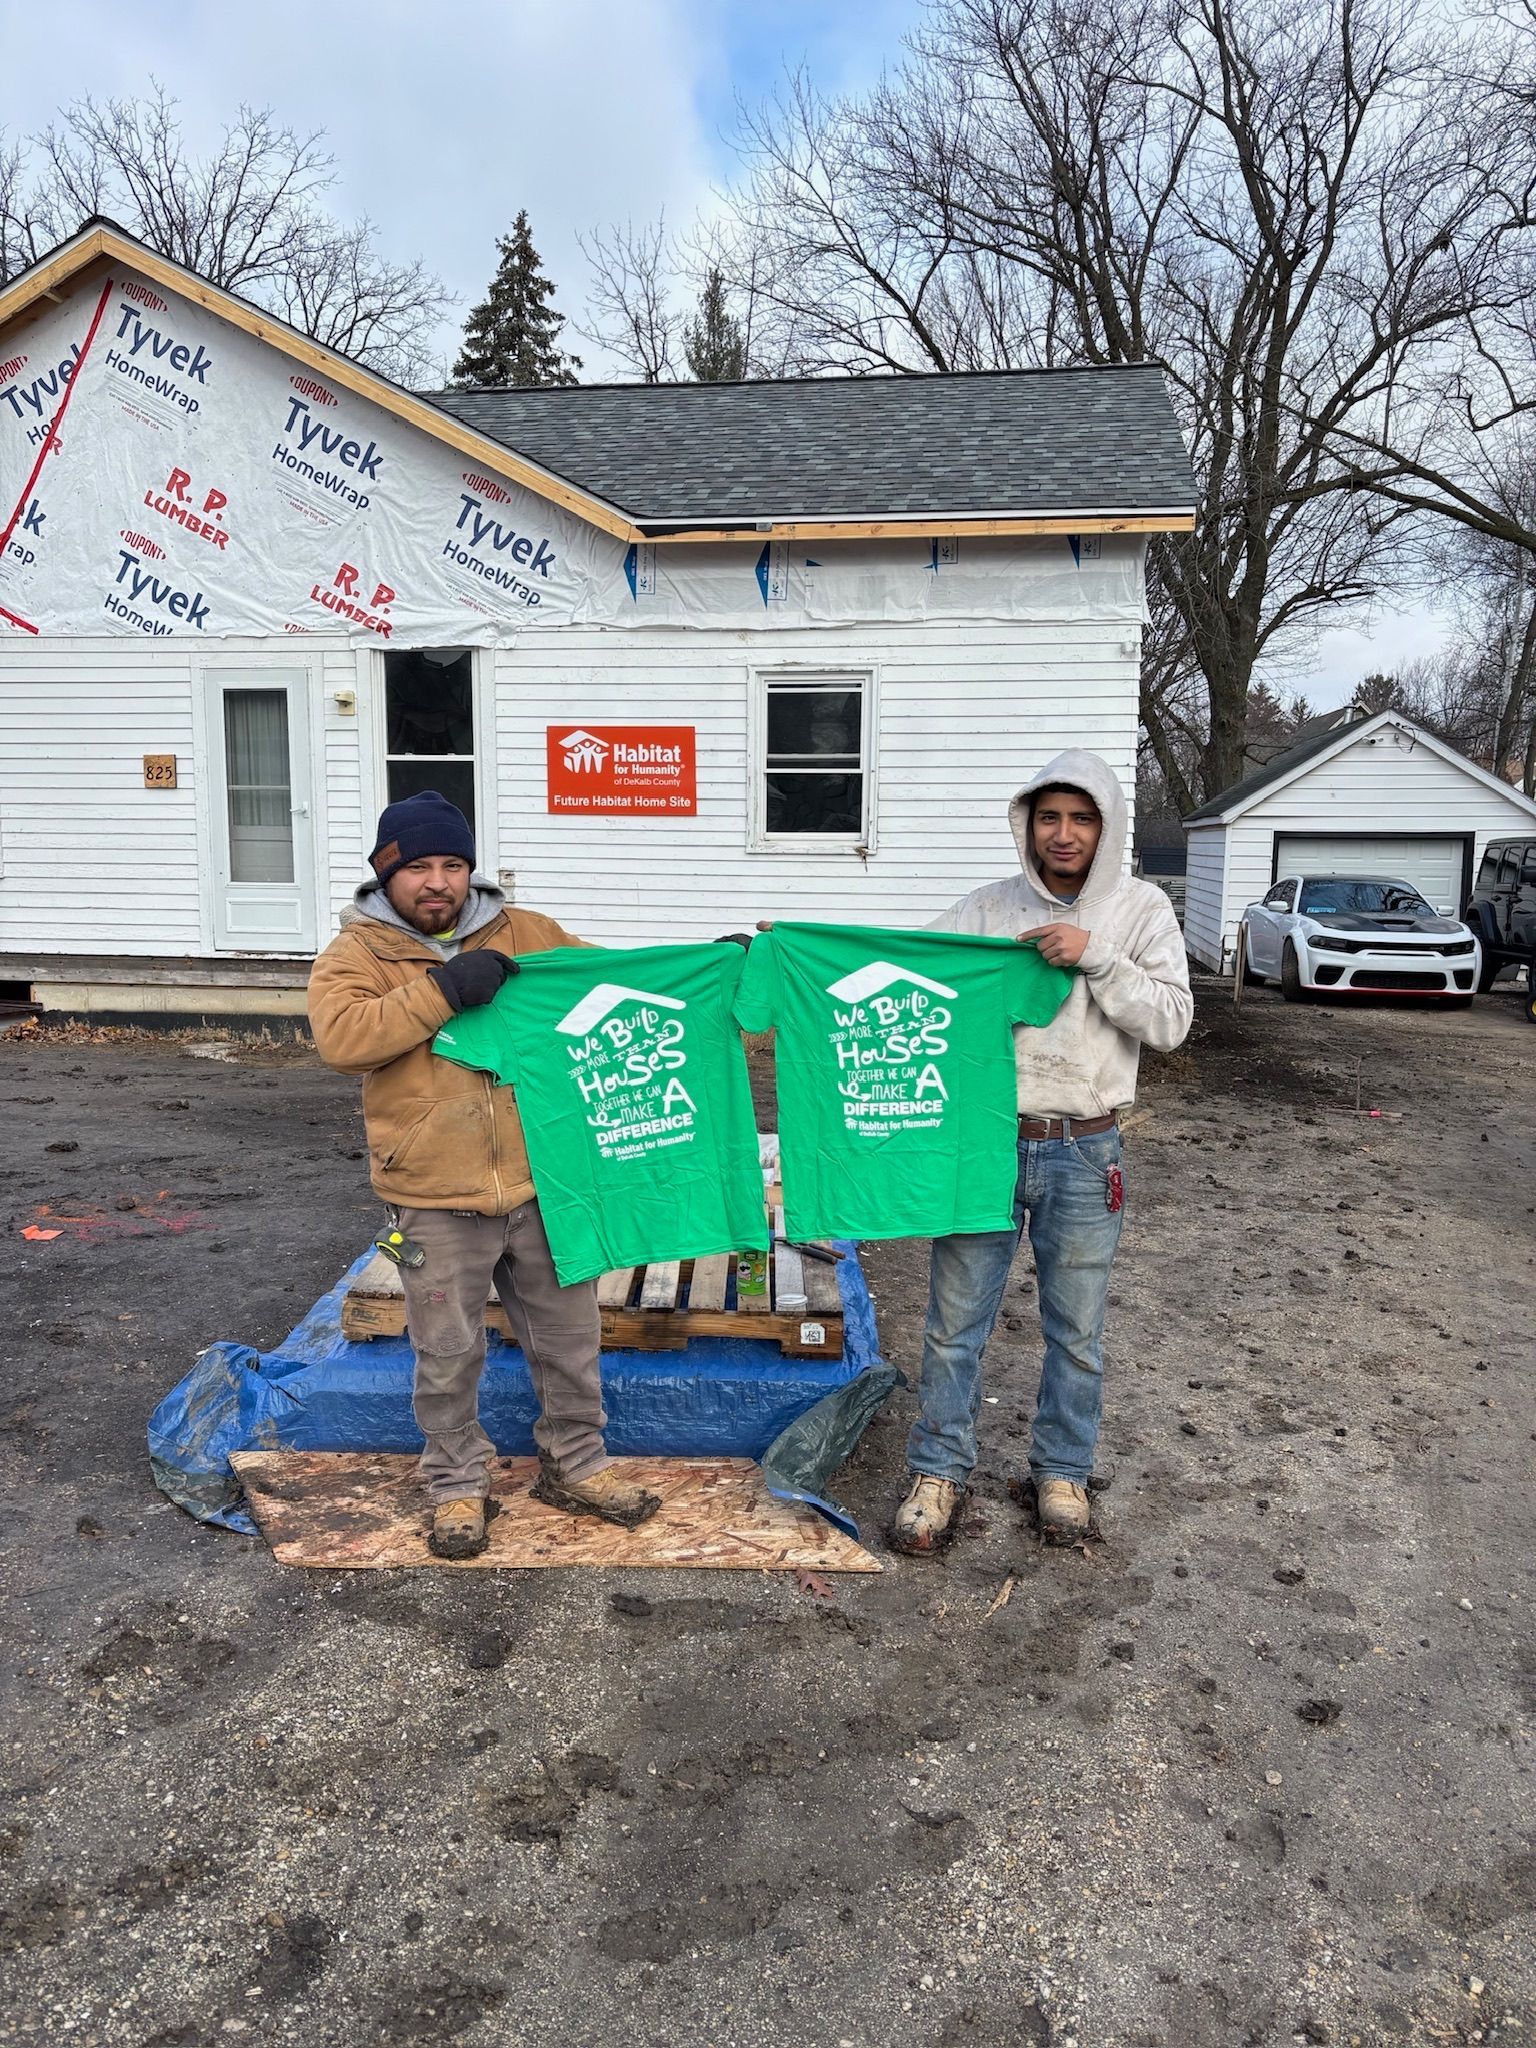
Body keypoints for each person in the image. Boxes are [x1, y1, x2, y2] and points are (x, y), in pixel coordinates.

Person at [308, 790, 661, 1560]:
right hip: (433, 1197)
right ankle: (456, 1486)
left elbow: (613, 985)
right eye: (420, 868)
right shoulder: (357, 954)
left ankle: (577, 1467)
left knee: (569, 1341)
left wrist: (711, 967)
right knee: (447, 1351)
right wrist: (441, 989)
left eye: (453, 864)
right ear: (386, 875)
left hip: (544, 1186)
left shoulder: (527, 934)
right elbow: (344, 1039)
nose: (438, 882)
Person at [888, 749, 1193, 1552]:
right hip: (982, 1146)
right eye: (1050, 816)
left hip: (1086, 1151)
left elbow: (1170, 1021)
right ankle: (938, 1472)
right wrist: (794, 951)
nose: (1064, 834)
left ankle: (1062, 1470)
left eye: (1082, 817)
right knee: (954, 1325)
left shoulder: (1141, 910)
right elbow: (903, 973)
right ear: (1028, 822)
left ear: (1106, 826)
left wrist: (1095, 954)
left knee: (1076, 1328)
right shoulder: (987, 909)